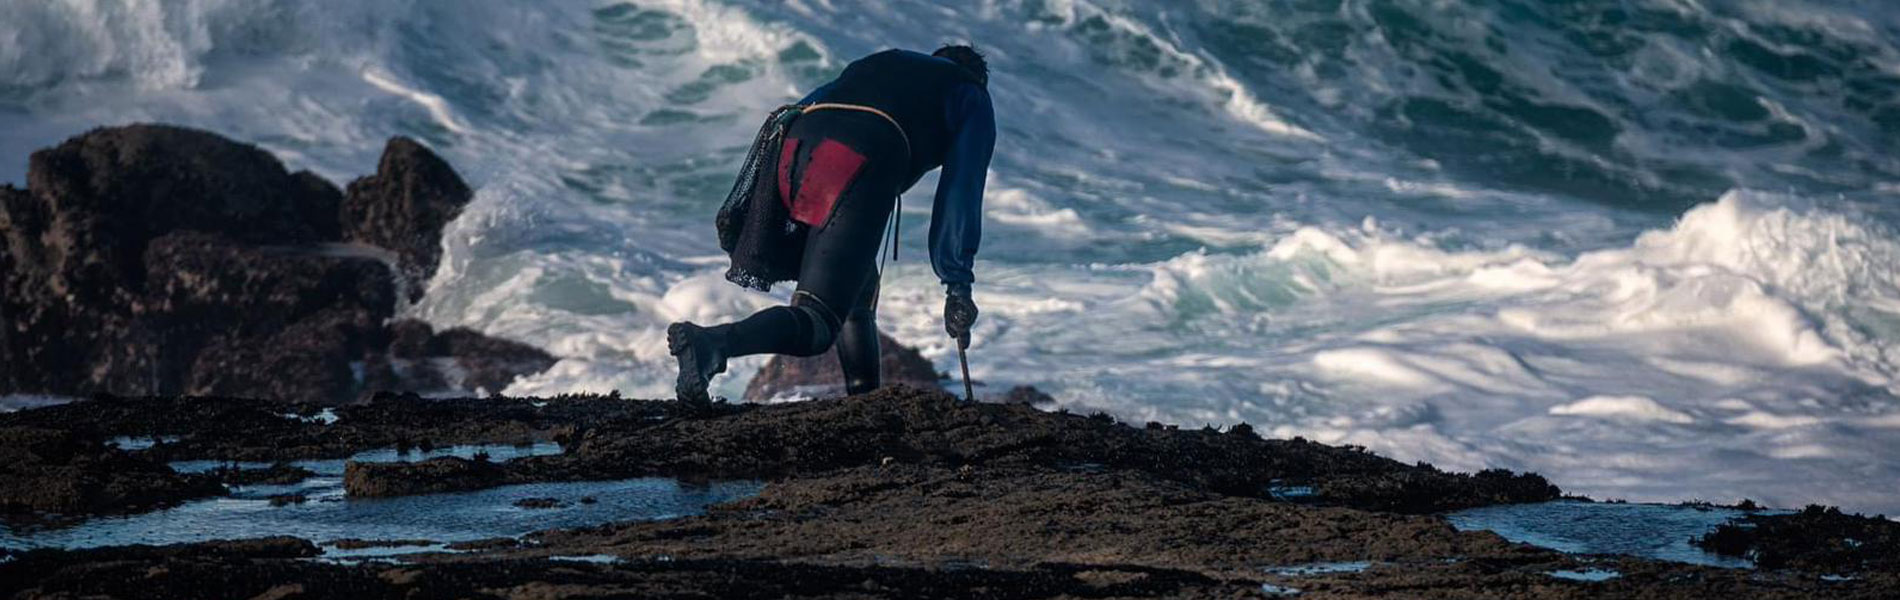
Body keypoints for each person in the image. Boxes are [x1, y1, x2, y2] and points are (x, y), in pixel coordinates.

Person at [668, 44, 995, 405]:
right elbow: (961, 190)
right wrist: (957, 284)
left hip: (796, 150)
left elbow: (803, 107)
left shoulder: (886, 62)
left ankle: (865, 398)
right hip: (858, 156)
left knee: (854, 284)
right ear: (976, 77)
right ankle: (711, 345)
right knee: (818, 323)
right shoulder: (971, 93)